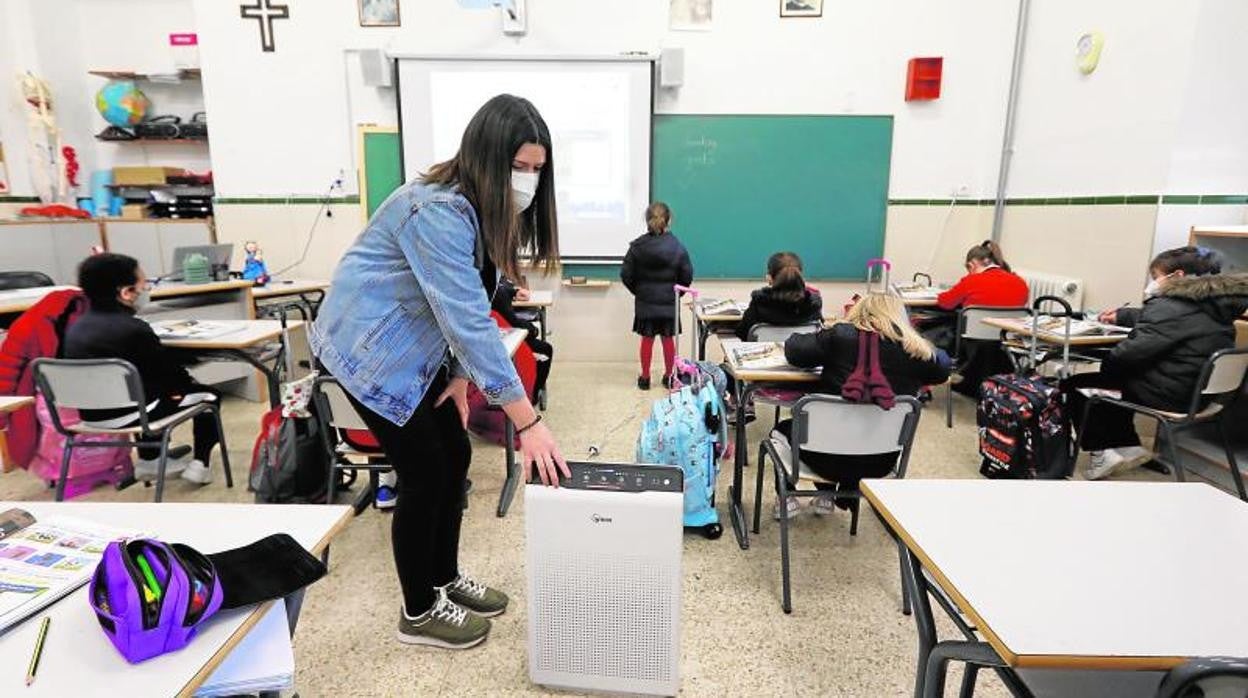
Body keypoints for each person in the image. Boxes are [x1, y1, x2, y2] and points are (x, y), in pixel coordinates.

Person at [309, 94, 567, 651]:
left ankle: (443, 579)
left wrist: (455, 373)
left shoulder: (480, 209)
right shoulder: (439, 210)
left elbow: (465, 296)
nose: (526, 181)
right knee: (424, 471)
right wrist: (527, 422)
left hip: (412, 344)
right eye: (516, 167)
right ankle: (419, 612)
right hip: (367, 351)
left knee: (456, 455)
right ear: (483, 157)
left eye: (535, 170)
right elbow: (469, 320)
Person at [1066, 247, 1248, 480]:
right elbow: (1170, 321)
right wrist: (1122, 316)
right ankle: (1128, 446)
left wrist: (1107, 364)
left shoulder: (1171, 306)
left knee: (1078, 384)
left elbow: (1126, 355)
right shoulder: (1213, 303)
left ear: (1178, 276)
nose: (1153, 283)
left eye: (1156, 277)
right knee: (1120, 379)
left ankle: (1101, 454)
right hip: (1203, 397)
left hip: (1173, 397)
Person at [779, 294, 951, 518]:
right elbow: (943, 368)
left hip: (822, 457)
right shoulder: (915, 350)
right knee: (835, 432)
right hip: (881, 461)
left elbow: (794, 349)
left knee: (784, 429)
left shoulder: (840, 335)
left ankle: (788, 497)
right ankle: (826, 496)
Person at [62, 253, 220, 485]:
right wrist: (192, 367)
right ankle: (200, 466)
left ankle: (150, 460)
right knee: (209, 395)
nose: (145, 290)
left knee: (139, 390)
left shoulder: (75, 329)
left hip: (91, 416)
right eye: (143, 286)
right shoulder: (135, 329)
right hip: (134, 414)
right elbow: (169, 377)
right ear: (126, 293)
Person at [922, 241, 1030, 395]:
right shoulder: (1020, 282)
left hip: (973, 340)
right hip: (1007, 340)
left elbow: (945, 303)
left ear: (972, 265)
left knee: (931, 330)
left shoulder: (970, 281)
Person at [620, 202, 693, 390]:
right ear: (668, 220)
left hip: (646, 302)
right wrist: (677, 293)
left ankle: (644, 378)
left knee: (647, 338)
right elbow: (687, 275)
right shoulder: (677, 246)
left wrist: (640, 291)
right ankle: (669, 377)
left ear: (647, 220)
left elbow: (625, 275)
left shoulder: (637, 247)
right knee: (668, 339)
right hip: (669, 302)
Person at [734, 251, 823, 341]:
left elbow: (742, 333)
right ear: (799, 276)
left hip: (767, 355)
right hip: (801, 354)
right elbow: (820, 332)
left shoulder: (759, 303)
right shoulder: (812, 304)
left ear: (769, 278)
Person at [492, 277, 553, 399]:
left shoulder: (493, 286)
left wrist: (514, 292)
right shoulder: (497, 293)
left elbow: (502, 287)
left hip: (499, 335)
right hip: (503, 341)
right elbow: (513, 322)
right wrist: (533, 330)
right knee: (546, 349)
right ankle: (533, 396)